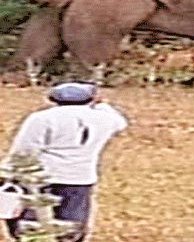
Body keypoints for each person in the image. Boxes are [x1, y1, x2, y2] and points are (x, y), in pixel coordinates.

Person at [3, 81, 128, 242]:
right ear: (90, 99)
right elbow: (120, 122)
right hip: (81, 177)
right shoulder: (105, 118)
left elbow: (24, 151)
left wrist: (7, 172)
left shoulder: (41, 118)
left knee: (32, 222)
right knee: (72, 223)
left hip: (40, 177)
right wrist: (102, 104)